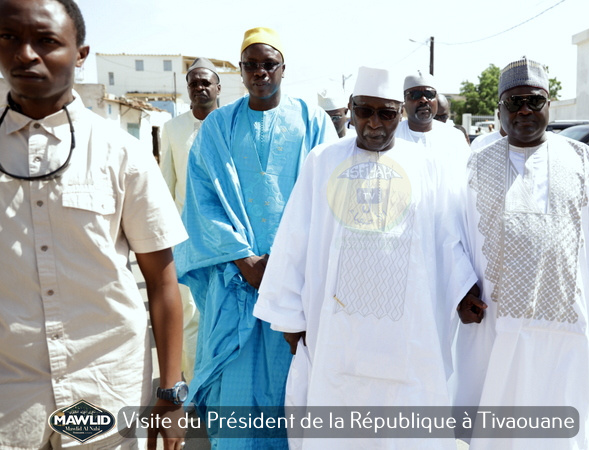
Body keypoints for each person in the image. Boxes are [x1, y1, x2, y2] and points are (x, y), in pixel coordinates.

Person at [253, 66, 477, 450]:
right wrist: (291, 315)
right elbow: (295, 239)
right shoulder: (323, 160)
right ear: (351, 109)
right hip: (337, 332)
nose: (374, 123)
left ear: (399, 113)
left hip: (409, 331)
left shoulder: (427, 165)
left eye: (386, 113)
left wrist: (462, 289)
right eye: (364, 111)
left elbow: (447, 238)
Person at [0, 0, 188, 448]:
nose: (26, 54)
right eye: (10, 38)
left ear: (80, 54)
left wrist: (172, 395)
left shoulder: (122, 154)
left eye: (46, 41)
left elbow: (162, 284)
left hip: (102, 390)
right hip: (12, 397)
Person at [451, 57, 589, 450]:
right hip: (495, 326)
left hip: (568, 328)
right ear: (499, 110)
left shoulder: (584, 161)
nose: (524, 110)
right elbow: (452, 236)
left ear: (549, 105)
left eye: (533, 100)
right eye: (513, 103)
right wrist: (460, 289)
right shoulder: (475, 166)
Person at [174, 27, 337, 448]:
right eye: (251, 65)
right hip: (236, 280)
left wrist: (285, 268)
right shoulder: (217, 127)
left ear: (283, 68)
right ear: (240, 73)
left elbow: (332, 195)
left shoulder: (313, 122)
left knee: (292, 388)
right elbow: (202, 200)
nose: (260, 72)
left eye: (269, 64)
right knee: (236, 392)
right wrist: (245, 260)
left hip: (297, 283)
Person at [160, 56, 221, 386]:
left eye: (205, 82)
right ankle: (197, 386)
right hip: (185, 237)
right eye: (193, 83)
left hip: (226, 239)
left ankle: (220, 378)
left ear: (218, 88)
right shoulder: (173, 128)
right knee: (188, 315)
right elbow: (166, 184)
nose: (199, 88)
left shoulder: (230, 123)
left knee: (221, 312)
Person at [395, 70, 470, 158]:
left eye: (429, 94)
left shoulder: (454, 137)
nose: (423, 99)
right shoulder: (392, 137)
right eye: (415, 94)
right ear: (404, 100)